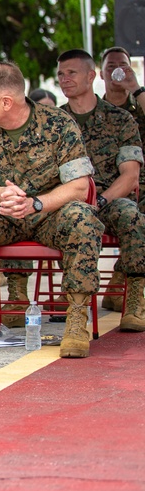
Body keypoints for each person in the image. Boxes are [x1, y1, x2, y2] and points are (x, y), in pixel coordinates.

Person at [0, 61, 102, 359]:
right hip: (2, 215)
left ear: (6, 102)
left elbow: (79, 187)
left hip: (47, 215)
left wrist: (34, 203)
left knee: (83, 217)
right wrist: (2, 194)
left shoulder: (59, 123)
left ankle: (77, 318)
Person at [56, 50, 145, 331]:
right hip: (68, 200)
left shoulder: (120, 120)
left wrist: (103, 199)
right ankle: (24, 298)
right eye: (60, 74)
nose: (64, 79)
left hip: (109, 197)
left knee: (132, 216)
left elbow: (130, 175)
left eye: (71, 72)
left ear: (92, 76)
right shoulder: (51, 122)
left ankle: (134, 299)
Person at [100, 46, 145, 310]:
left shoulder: (138, 105)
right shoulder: (93, 107)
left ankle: (121, 281)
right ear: (101, 73)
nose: (117, 70)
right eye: (111, 66)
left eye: (123, 65)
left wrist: (136, 87)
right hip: (103, 185)